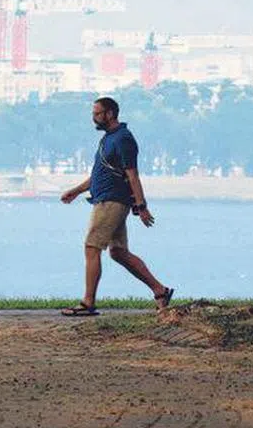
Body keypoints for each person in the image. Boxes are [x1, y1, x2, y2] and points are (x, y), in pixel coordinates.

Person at [59, 97, 174, 316]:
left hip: (111, 202)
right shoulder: (108, 139)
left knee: (92, 247)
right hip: (105, 198)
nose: (94, 117)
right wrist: (76, 191)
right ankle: (160, 291)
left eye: (97, 113)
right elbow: (99, 175)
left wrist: (141, 206)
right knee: (118, 252)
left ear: (110, 114)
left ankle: (88, 303)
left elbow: (133, 175)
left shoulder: (123, 139)